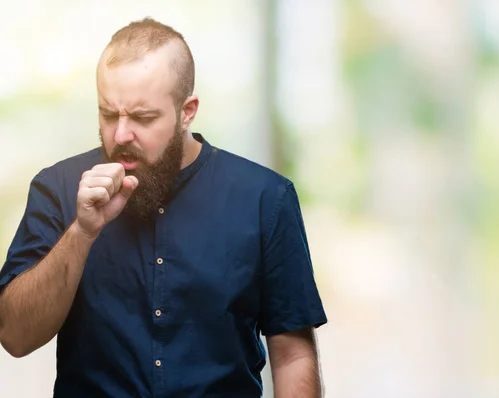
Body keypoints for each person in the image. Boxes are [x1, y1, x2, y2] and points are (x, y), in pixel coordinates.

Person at [0, 17, 327, 397]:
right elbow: (15, 337)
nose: (121, 134)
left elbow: (292, 356)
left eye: (142, 117)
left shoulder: (266, 199)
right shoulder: (56, 189)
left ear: (187, 111)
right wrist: (82, 232)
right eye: (108, 114)